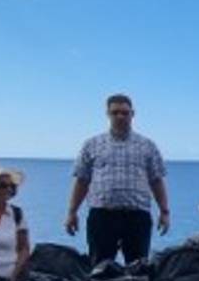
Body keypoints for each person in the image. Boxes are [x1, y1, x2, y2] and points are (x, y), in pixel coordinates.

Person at [65, 94, 171, 265]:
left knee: (138, 269)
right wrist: (72, 212)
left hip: (137, 216)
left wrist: (164, 212)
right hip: (102, 216)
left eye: (124, 112)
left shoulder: (147, 145)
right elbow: (82, 181)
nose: (120, 116)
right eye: (115, 112)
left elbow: (156, 180)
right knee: (100, 268)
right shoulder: (92, 144)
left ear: (132, 114)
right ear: (107, 114)